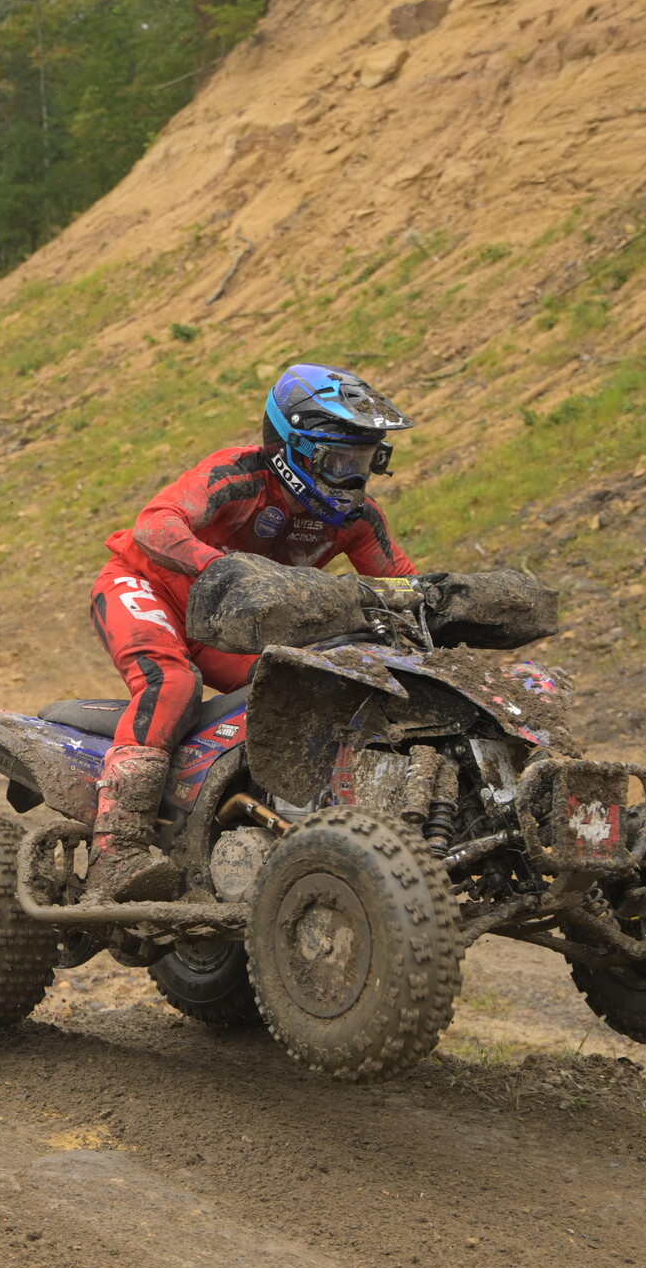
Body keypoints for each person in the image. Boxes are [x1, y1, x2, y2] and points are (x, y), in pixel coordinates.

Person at [83, 363, 418, 903]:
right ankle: (116, 850)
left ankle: (257, 822)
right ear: (293, 450)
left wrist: (439, 612)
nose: (352, 479)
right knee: (171, 683)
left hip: (230, 629)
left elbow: (401, 584)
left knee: (304, 684)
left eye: (364, 462)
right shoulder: (238, 477)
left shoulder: (357, 517)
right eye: (338, 462)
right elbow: (156, 524)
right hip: (148, 587)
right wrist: (222, 568)